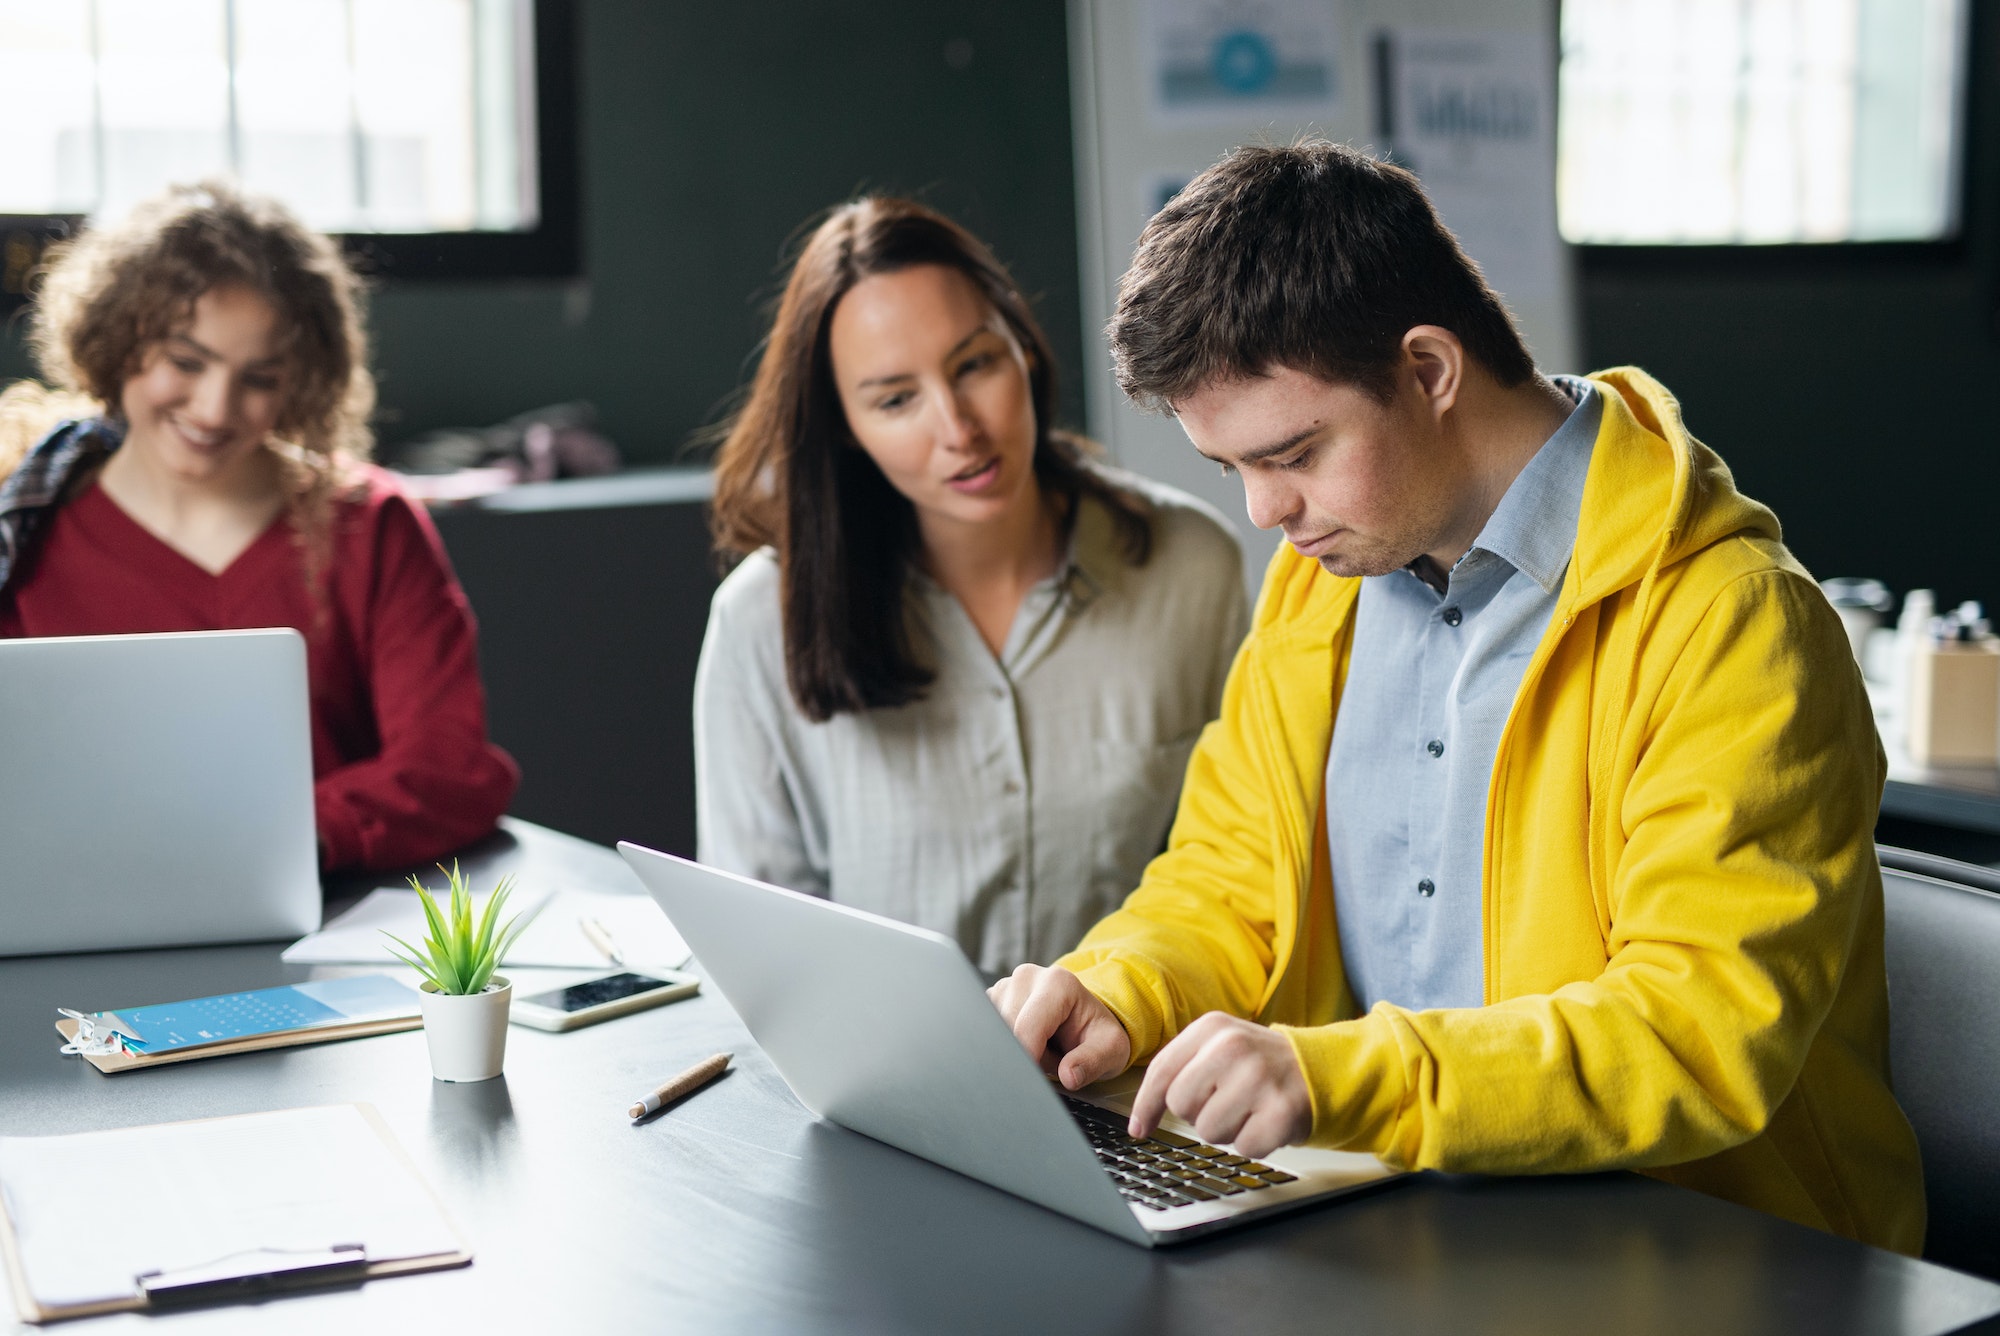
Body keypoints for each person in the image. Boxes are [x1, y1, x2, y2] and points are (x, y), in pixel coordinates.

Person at [989, 141, 1925, 1253]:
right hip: (1411, 1223)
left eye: (1290, 451)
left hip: (1710, 1257)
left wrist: (1342, 1075)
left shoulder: (1731, 621)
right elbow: (1229, 879)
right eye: (1228, 467)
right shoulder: (1321, 581)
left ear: (1429, 370)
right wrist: (1120, 987)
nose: (1260, 512)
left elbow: (1696, 1031)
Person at [697, 197, 1247, 976]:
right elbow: (755, 946)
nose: (958, 428)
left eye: (975, 364)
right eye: (896, 399)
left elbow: (1236, 872)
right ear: (844, 427)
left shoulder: (1190, 563)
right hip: (885, 1084)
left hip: (1138, 1074)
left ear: (1023, 346)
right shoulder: (762, 618)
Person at [0, 182, 518, 873]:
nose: (215, 409)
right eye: (185, 362)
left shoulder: (371, 524)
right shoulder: (25, 534)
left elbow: (448, 768)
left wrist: (276, 843)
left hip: (331, 913)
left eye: (260, 378)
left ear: (301, 381)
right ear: (118, 340)